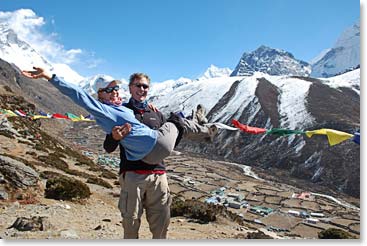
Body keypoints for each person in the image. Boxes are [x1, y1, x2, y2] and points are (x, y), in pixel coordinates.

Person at [21, 67, 216, 165]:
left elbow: (137, 110)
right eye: (109, 89)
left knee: (177, 124)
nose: (115, 91)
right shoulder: (103, 109)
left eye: (116, 88)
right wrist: (50, 77)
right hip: (154, 146)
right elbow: (79, 95)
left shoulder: (123, 108)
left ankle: (198, 125)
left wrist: (148, 106)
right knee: (176, 120)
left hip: (149, 157)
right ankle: (203, 128)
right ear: (99, 94)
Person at [102, 73, 170, 239]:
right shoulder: (121, 112)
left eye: (145, 86)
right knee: (130, 223)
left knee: (161, 224)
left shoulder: (157, 114)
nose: (142, 89)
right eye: (138, 85)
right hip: (132, 175)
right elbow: (108, 147)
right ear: (130, 88)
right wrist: (114, 137)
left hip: (158, 175)